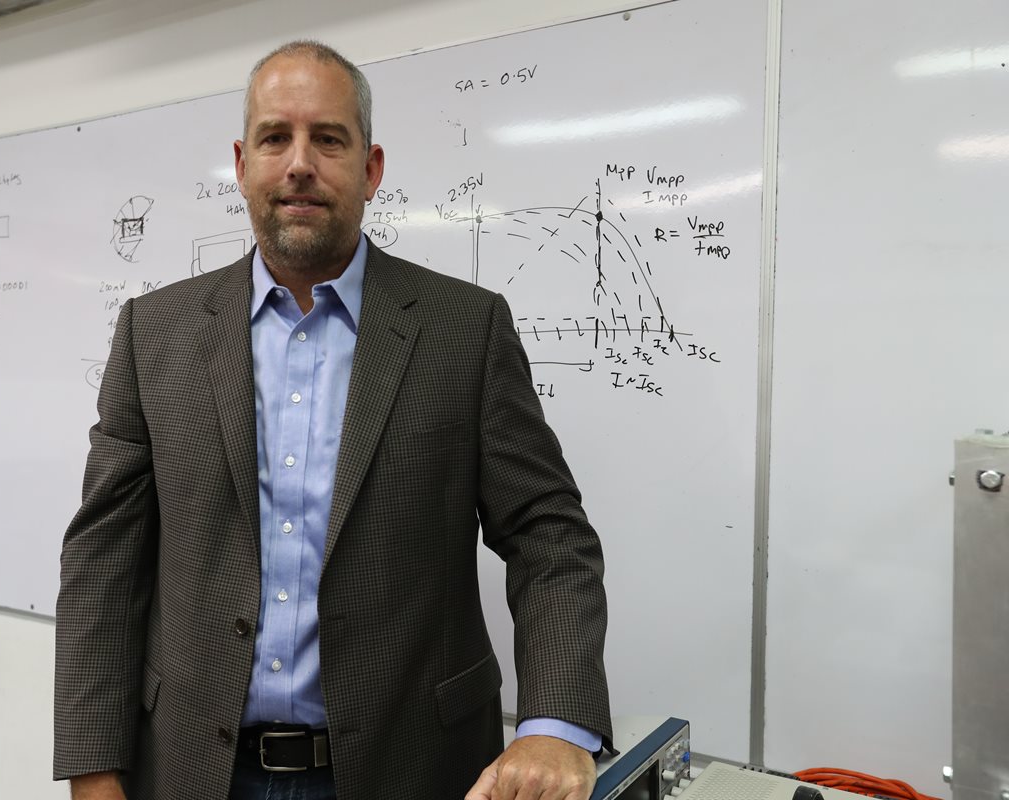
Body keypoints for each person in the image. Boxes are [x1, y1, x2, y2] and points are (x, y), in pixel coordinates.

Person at [54, 40, 612, 800]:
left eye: (328, 139)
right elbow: (102, 563)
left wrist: (554, 725)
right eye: (274, 138)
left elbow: (550, 536)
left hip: (413, 769)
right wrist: (93, 767)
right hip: (192, 769)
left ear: (371, 169)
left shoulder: (465, 329)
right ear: (241, 164)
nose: (299, 164)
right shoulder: (154, 334)